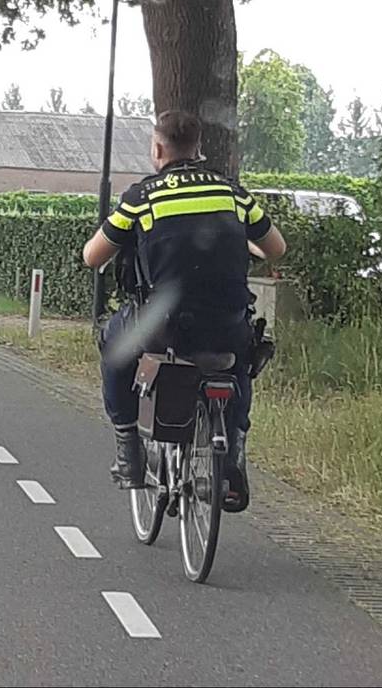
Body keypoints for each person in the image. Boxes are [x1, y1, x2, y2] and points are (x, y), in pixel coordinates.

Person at [81, 110, 286, 512]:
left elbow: (92, 256)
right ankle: (233, 457)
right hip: (226, 322)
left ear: (158, 148)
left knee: (113, 344)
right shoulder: (234, 194)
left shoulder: (142, 198)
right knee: (240, 360)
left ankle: (129, 453)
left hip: (165, 328)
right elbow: (275, 248)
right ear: (199, 148)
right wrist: (244, 244)